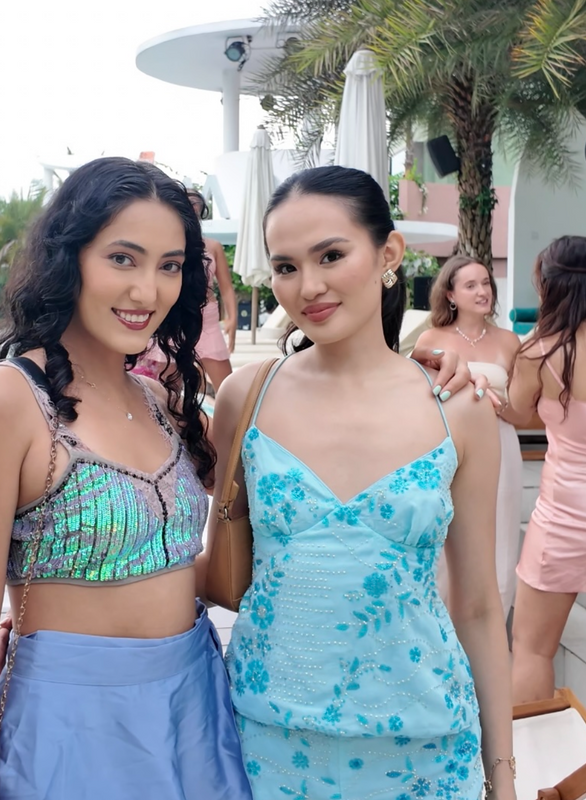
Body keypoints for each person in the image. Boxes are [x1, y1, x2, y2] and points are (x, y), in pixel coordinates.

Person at [0, 157, 254, 800]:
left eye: (169, 265)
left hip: (196, 713)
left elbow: (221, 549)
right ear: (68, 257)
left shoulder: (160, 403)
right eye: (123, 259)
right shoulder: (4, 403)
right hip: (70, 732)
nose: (147, 291)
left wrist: (422, 376)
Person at [207, 166, 515, 800]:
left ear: (389, 254)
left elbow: (480, 605)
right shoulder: (246, 397)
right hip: (269, 743)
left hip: (427, 749)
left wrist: (503, 774)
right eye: (286, 266)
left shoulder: (458, 408)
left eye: (331, 255)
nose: (308, 286)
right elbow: (208, 560)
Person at [504, 235, 586, 740]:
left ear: (551, 284)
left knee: (532, 649)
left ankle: (534, 766)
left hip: (565, 518)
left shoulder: (541, 350)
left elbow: (518, 413)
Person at [416, 255, 523, 622]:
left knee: (501, 533)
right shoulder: (431, 340)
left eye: (486, 283)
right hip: (447, 444)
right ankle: (440, 626)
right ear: (450, 294)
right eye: (471, 285)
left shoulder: (509, 341)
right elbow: (420, 398)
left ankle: (492, 621)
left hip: (501, 442)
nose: (482, 292)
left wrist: (496, 405)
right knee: (446, 535)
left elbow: (522, 411)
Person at [134, 189, 237, 392]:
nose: (193, 208)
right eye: (188, 204)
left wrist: (232, 318)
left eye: (196, 205)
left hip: (206, 317)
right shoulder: (166, 246)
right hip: (176, 315)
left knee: (228, 386)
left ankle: (230, 412)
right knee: (167, 387)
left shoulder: (213, 246)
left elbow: (226, 288)